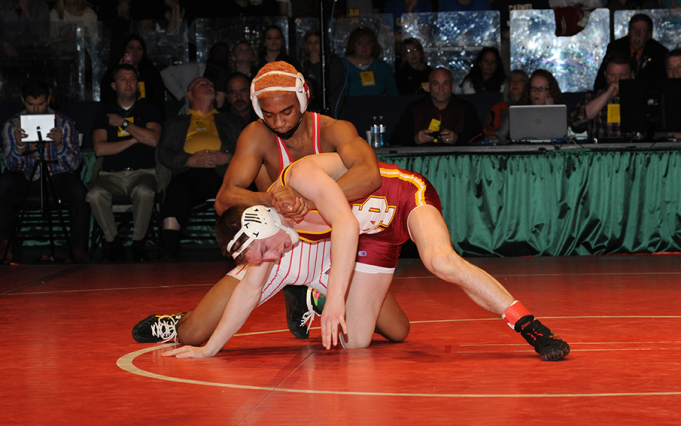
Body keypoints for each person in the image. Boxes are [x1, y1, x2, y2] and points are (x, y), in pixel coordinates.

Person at [151, 152, 570, 361]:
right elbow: (246, 294)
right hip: (375, 239)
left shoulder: (300, 177)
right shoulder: (269, 238)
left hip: (401, 197)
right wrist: (208, 350)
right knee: (356, 344)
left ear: (265, 225)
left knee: (440, 261)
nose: (267, 259)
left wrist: (335, 300)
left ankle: (529, 325)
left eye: (262, 251)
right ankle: (313, 298)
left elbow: (347, 226)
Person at [131, 60, 384, 345]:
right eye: (269, 114)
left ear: (303, 98)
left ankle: (310, 294)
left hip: (335, 242)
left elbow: (370, 175)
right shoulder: (257, 135)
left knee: (396, 329)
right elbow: (225, 199)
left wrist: (307, 199)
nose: (279, 122)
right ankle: (183, 319)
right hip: (279, 245)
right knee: (192, 334)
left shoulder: (333, 129)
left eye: (286, 111)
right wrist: (271, 197)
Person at [0, 80, 90, 264]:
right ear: (22, 100)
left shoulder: (64, 123)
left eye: (40, 104)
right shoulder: (12, 125)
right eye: (30, 105)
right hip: (26, 177)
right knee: (4, 183)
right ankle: (4, 244)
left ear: (48, 100)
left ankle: (79, 249)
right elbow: (10, 165)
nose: (35, 110)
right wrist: (19, 146)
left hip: (56, 177)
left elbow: (74, 165)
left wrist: (59, 146)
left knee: (79, 191)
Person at [156, 77, 243, 261]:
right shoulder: (175, 123)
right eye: (201, 84)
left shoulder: (231, 120)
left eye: (211, 84)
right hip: (190, 174)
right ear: (189, 95)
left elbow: (248, 149)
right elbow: (163, 153)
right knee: (176, 188)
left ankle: (244, 245)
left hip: (224, 173)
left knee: (243, 188)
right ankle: (168, 247)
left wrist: (226, 157)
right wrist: (189, 160)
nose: (209, 85)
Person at [87, 64, 163, 262]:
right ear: (114, 85)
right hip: (111, 175)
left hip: (143, 172)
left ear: (137, 85)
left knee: (145, 192)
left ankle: (138, 243)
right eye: (123, 79)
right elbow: (100, 149)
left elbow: (154, 140)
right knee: (94, 194)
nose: (128, 83)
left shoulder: (149, 110)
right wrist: (135, 138)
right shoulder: (104, 114)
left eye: (132, 79)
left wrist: (124, 123)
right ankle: (112, 242)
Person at [389, 68, 483, 146]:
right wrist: (415, 139)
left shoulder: (465, 108)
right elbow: (394, 139)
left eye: (445, 84)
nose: (441, 89)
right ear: (428, 87)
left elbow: (479, 137)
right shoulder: (414, 109)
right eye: (436, 84)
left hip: (456, 162)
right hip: (422, 162)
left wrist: (457, 139)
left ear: (452, 88)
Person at [594, 13, 668, 92]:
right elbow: (600, 82)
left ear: (649, 35)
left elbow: (662, 83)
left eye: (642, 30)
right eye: (634, 29)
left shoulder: (659, 52)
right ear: (628, 32)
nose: (637, 34)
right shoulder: (616, 47)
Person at [99, 34, 167, 120]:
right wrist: (120, 73)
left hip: (146, 116)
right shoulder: (112, 72)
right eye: (131, 47)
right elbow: (106, 98)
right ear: (125, 50)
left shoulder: (151, 72)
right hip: (119, 115)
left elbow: (158, 101)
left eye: (139, 49)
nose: (135, 52)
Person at [570, 52, 632, 140]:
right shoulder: (592, 97)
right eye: (612, 75)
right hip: (601, 151)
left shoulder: (641, 97)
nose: (617, 80)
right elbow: (576, 122)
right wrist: (607, 94)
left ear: (631, 75)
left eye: (622, 75)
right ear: (605, 75)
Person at [161, 42, 231, 115]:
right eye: (218, 50)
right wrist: (180, 95)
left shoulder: (230, 73)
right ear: (210, 54)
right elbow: (165, 73)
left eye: (225, 51)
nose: (222, 53)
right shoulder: (193, 69)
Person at [493, 69, 564, 140]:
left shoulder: (560, 111)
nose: (536, 92)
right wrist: (494, 137)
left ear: (550, 92)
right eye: (533, 88)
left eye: (541, 89)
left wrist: (550, 110)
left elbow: (561, 137)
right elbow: (500, 134)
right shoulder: (517, 111)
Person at [342, 26, 399, 97]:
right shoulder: (341, 66)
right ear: (353, 45)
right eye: (360, 43)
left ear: (373, 46)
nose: (364, 47)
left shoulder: (383, 68)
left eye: (368, 43)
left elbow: (393, 95)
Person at [298, 29, 344, 114]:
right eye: (310, 43)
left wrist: (317, 65)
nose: (313, 46)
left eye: (317, 42)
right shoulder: (301, 62)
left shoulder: (333, 62)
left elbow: (330, 87)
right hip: (306, 109)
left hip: (330, 108)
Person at [484, 69, 528, 137]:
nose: (515, 83)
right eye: (512, 80)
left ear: (527, 86)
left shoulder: (531, 108)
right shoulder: (498, 108)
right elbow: (488, 133)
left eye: (520, 81)